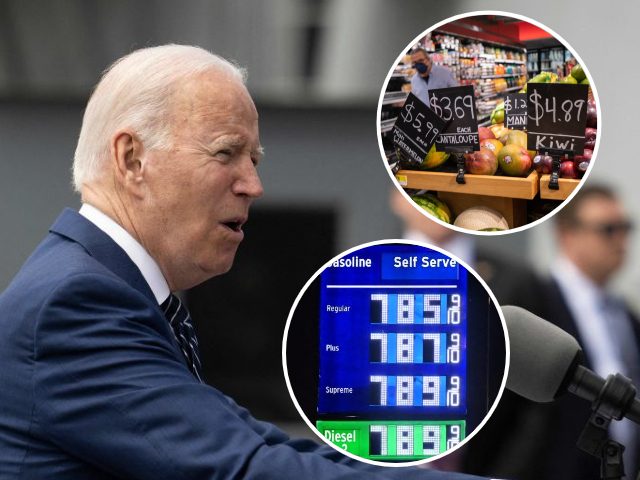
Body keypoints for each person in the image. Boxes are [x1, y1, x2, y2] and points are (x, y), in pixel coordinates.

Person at [0, 45, 487, 479]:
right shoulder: (77, 303)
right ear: (131, 160)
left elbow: (259, 445)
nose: (253, 185)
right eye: (226, 153)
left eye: (253, 159)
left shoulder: (112, 290)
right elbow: (244, 466)